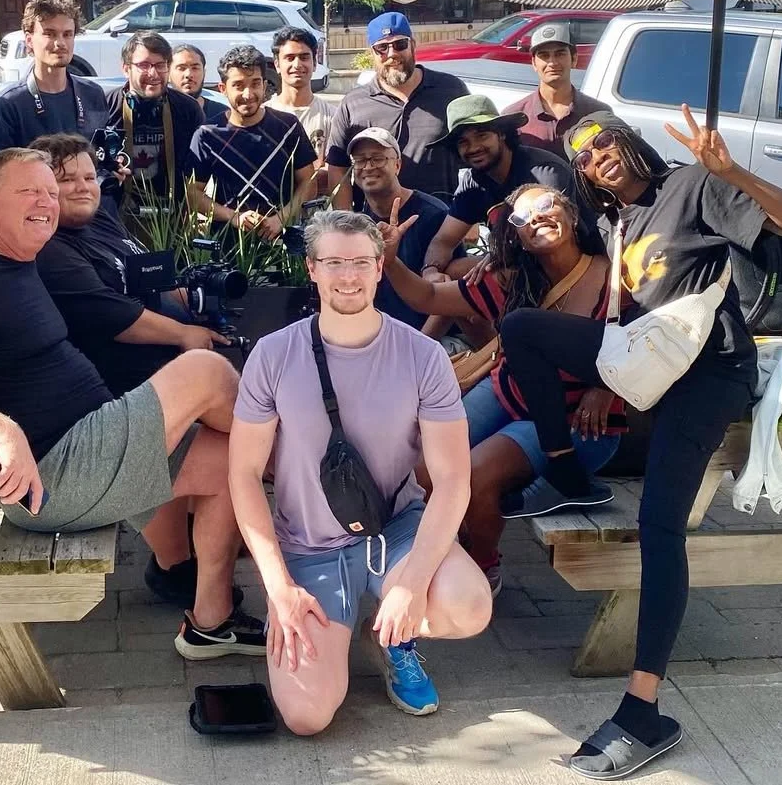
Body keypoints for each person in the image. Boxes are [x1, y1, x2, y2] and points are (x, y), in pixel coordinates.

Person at [501, 108, 782, 779]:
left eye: (601, 138)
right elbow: (629, 311)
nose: (594, 152)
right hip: (650, 359)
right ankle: (566, 472)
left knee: (659, 525)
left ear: (626, 139)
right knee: (522, 328)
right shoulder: (613, 221)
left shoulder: (693, 183)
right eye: (581, 152)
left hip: (710, 371)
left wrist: (730, 170)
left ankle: (641, 708)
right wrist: (605, 382)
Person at [0, 147, 266, 658]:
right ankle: (310, 477)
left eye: (50, 191)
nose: (46, 201)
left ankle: (210, 620)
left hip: (86, 449)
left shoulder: (21, 264)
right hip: (54, 473)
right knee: (205, 372)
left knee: (228, 459)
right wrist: (2, 431)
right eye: (29, 191)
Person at [229, 210, 492, 735]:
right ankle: (343, 624)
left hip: (395, 529)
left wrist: (413, 584)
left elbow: (453, 481)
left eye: (360, 262)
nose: (346, 275)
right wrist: (277, 585)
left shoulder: (423, 356)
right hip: (309, 543)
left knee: (468, 607)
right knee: (306, 717)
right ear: (311, 269)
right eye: (333, 262)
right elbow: (243, 474)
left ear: (378, 269)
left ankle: (395, 636)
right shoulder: (272, 354)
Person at [375, 182, 625, 597]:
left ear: (572, 214)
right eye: (522, 218)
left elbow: (642, 342)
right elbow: (427, 296)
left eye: (546, 206)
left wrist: (603, 384)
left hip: (576, 422)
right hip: (507, 393)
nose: (536, 219)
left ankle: (482, 566)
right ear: (518, 236)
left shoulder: (617, 276)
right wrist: (390, 260)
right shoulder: (511, 279)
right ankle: (441, 547)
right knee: (422, 469)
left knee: (473, 475)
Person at [30, 133, 228, 397]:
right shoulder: (50, 248)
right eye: (66, 180)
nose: (83, 187)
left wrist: (197, 299)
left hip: (173, 362)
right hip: (125, 390)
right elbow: (113, 316)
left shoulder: (97, 218)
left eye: (89, 178)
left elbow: (145, 274)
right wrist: (183, 333)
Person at [420, 95, 585, 281]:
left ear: (502, 134)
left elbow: (553, 236)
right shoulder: (473, 182)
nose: (474, 148)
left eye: (481, 135)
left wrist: (501, 255)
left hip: (572, 265)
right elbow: (444, 240)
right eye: (463, 142)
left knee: (499, 275)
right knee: (452, 272)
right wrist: (431, 271)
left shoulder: (543, 171)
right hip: (513, 262)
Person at [328, 12, 467, 206]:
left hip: (442, 223)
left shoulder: (451, 90)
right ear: (372, 53)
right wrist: (345, 223)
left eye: (400, 44)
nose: (392, 54)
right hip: (374, 227)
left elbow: (474, 153)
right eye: (382, 48)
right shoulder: (353, 104)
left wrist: (468, 216)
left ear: (413, 45)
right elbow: (337, 168)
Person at [190, 45, 317, 241]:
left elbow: (308, 181)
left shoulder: (287, 127)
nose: (248, 94)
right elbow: (192, 194)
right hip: (228, 245)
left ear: (265, 86)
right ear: (223, 89)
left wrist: (281, 219)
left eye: (255, 84)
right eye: (239, 85)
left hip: (283, 242)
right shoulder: (208, 134)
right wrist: (233, 217)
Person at [345, 128, 456, 331]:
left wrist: (420, 346)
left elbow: (452, 293)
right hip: (380, 337)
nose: (368, 167)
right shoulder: (359, 222)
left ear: (397, 165)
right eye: (360, 160)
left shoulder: (433, 214)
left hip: (434, 341)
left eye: (377, 159)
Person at [0, 0, 109, 157]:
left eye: (67, 34)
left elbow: (103, 155)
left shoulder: (93, 94)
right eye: (50, 34)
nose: (60, 43)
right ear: (29, 40)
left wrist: (112, 169)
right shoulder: (9, 104)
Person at [105, 31, 203, 211]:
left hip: (174, 218)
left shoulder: (188, 109)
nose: (153, 73)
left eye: (160, 65)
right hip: (117, 217)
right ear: (126, 68)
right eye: (144, 65)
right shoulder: (105, 105)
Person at [505, 24, 609, 158]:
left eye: (560, 54)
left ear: (574, 59)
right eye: (544, 55)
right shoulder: (514, 117)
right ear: (534, 63)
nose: (552, 62)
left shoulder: (598, 113)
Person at [267, 27, 334, 161]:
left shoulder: (332, 116)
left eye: (304, 57)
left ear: (314, 64)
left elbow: (336, 170)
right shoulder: (263, 115)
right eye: (289, 58)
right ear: (277, 65)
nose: (297, 65)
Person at [170, 44, 227, 123]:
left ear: (204, 72)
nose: (189, 75)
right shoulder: (156, 113)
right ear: (168, 73)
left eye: (195, 68)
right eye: (181, 68)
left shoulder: (222, 113)